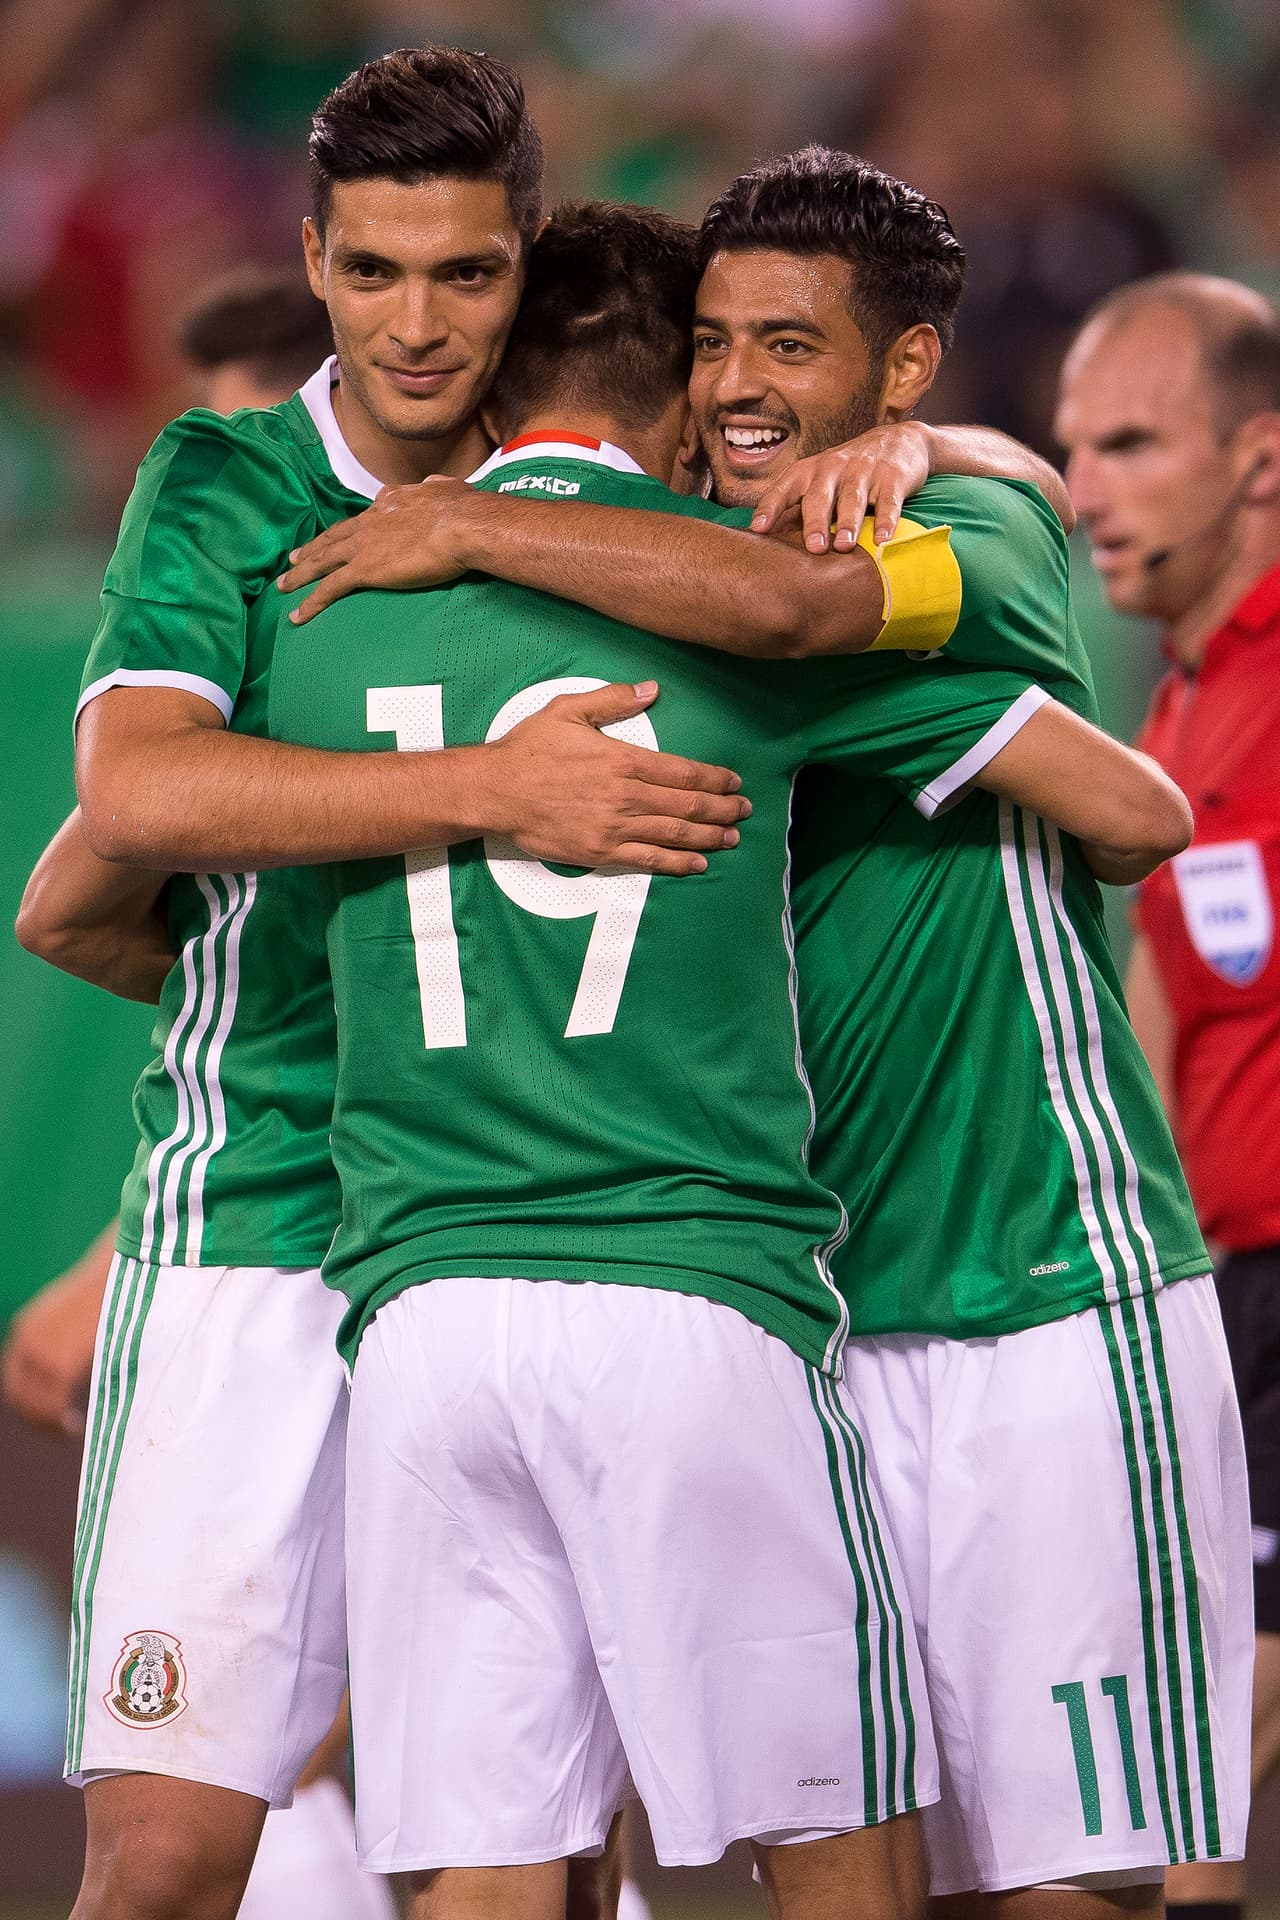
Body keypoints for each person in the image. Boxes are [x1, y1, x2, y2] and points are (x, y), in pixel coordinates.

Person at [281, 150, 1252, 1919]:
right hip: (805, 1320)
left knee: (1075, 1887)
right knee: (872, 1855)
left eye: (791, 346)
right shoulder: (692, 582)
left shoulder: (941, 535)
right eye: (715, 342)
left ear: (903, 370)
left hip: (1037, 1283)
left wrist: (479, 515)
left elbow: (1137, 810)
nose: (738, 384)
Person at [18, 49, 756, 1920]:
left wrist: (927, 452)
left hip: (514, 1222)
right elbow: (135, 794)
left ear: (526, 262)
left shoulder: (603, 483)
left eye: (465, 275)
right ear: (312, 256)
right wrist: (498, 794)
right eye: (369, 275)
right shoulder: (229, 482)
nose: (415, 329)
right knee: (170, 1860)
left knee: (522, 1856)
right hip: (259, 1222)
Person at [7, 265, 390, 1920]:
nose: (215, 514)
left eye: (253, 453)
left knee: (507, 1816)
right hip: (268, 1235)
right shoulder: (192, 685)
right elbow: (66, 906)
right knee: (209, 1823)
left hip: (481, 1238)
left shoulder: (437, 607)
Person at [1056, 269, 1280, 1920]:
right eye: (1073, 447)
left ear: (1262, 457)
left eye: (1130, 442)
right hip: (1219, 1298)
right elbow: (1158, 1025)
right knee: (1185, 1817)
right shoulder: (1183, 706)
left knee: (1186, 1779)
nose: (1084, 492)